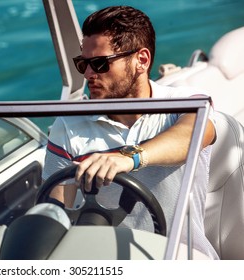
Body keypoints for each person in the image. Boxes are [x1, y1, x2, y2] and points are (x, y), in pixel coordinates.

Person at [42, 6, 219, 259]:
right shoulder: (68, 126)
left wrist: (129, 157)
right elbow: (55, 211)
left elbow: (191, 135)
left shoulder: (186, 104)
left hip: (184, 260)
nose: (89, 74)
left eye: (100, 63)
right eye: (83, 64)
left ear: (142, 60)